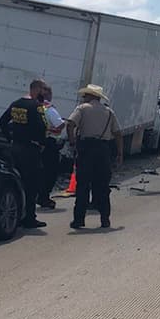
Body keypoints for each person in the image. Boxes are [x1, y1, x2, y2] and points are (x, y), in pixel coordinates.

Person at [67, 84, 121, 229]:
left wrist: (72, 142)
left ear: (91, 96)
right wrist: (119, 154)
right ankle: (105, 219)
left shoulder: (82, 109)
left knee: (83, 186)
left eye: (85, 96)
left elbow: (70, 124)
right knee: (102, 187)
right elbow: (117, 133)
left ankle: (79, 220)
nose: (83, 98)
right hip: (103, 150)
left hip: (86, 150)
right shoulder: (109, 112)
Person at [0, 79, 48, 228]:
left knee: (17, 182)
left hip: (15, 148)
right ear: (37, 89)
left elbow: (2, 121)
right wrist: (42, 143)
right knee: (31, 184)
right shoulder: (36, 106)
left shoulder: (16, 104)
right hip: (30, 150)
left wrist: (10, 138)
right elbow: (42, 126)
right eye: (43, 89)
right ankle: (29, 218)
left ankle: (17, 216)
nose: (44, 93)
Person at [38, 86, 66, 210]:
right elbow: (60, 124)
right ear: (48, 95)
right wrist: (49, 129)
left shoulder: (33, 107)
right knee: (50, 172)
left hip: (33, 143)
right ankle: (44, 197)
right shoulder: (49, 109)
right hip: (48, 144)